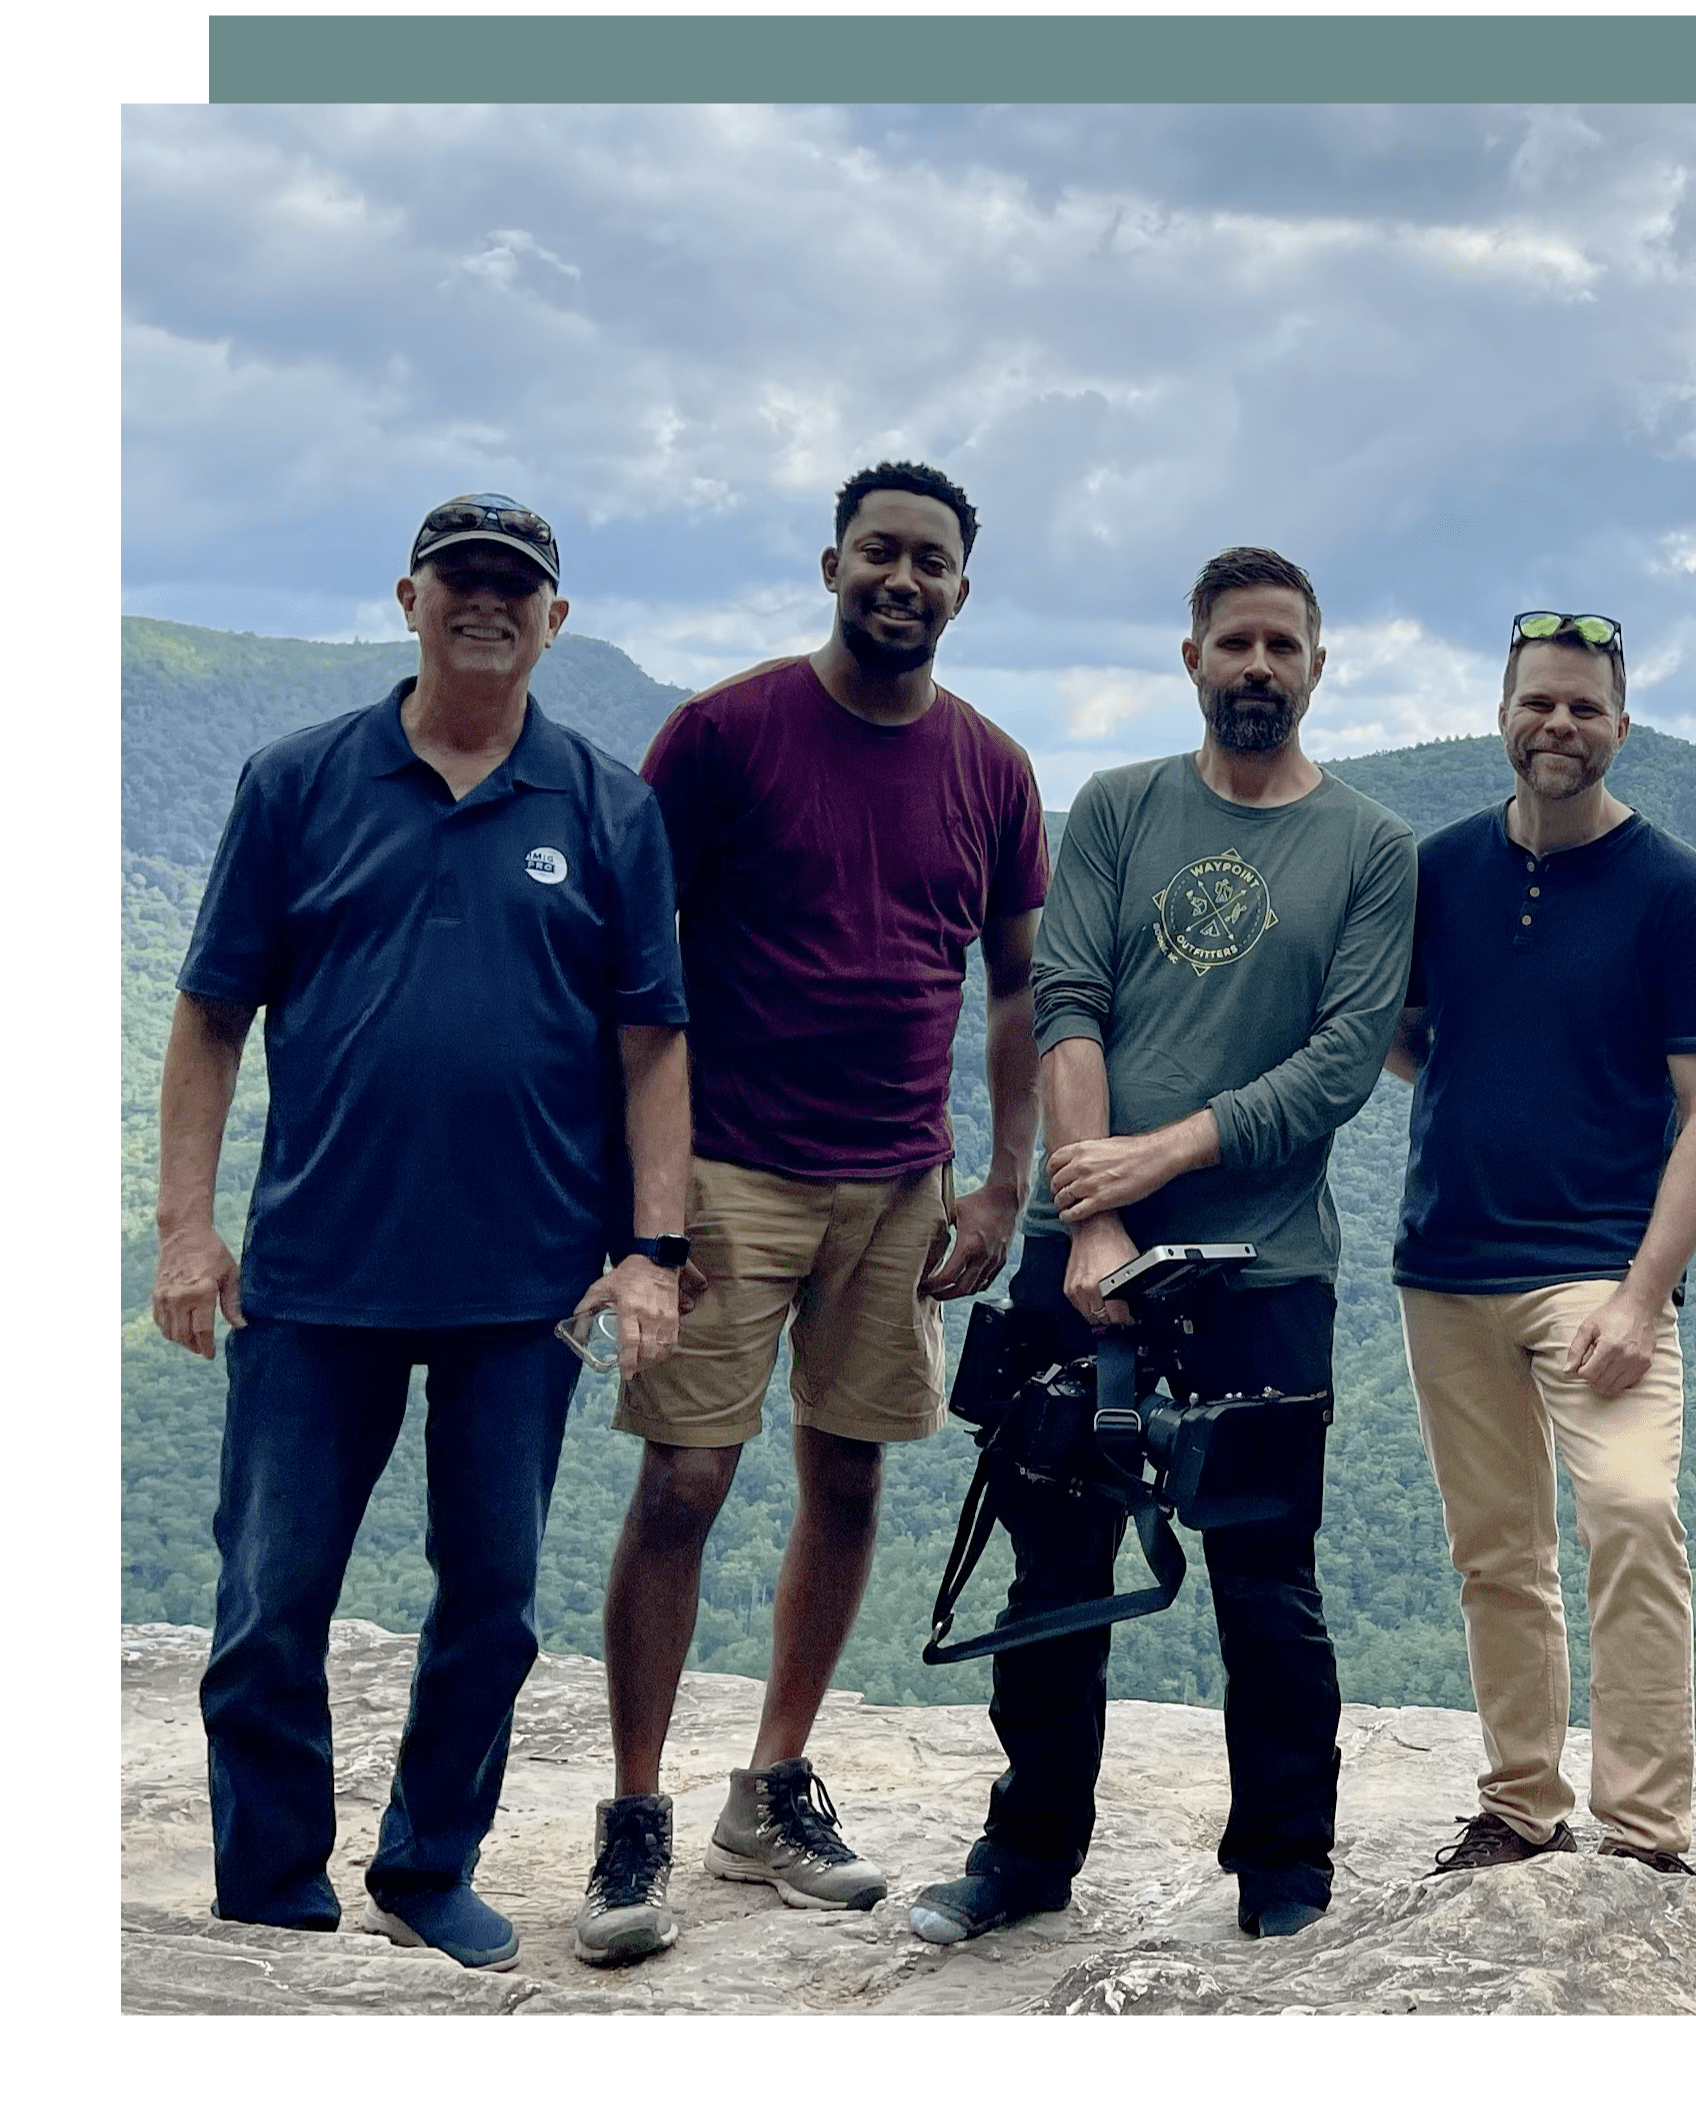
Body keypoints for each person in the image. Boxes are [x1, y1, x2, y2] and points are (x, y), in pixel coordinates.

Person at [153, 494, 692, 1972]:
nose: (487, 603)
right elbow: (209, 1013)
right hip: (317, 1272)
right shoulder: (298, 781)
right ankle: (271, 1892)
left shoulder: (605, 805)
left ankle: (426, 1863)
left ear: (554, 620)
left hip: (524, 1284)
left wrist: (654, 1249)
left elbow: (654, 1041)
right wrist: (185, 1232)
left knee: (494, 1600)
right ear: (408, 596)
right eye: (462, 578)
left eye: (516, 586)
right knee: (270, 1597)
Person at [574, 462, 1049, 1968]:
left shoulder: (993, 767)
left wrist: (1003, 1178)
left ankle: (769, 1790)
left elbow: (1020, 983)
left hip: (901, 1180)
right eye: (879, 553)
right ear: (830, 564)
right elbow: (634, 966)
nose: (903, 579)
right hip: (727, 1168)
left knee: (846, 1477)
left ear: (966, 587)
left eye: (932, 560)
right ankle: (634, 1809)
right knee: (688, 1480)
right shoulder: (724, 731)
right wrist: (635, 1201)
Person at [907, 546, 1416, 1947]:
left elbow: (1339, 1063)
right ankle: (1027, 1852)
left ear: (1319, 666)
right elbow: (1066, 997)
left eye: (1284, 645)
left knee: (1265, 1579)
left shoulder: (1371, 848)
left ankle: (1284, 1870)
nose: (1258, 666)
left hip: (1265, 1265)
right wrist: (1099, 1215)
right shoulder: (1124, 808)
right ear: (1189, 656)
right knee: (1054, 1562)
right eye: (1235, 642)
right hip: (1085, 1257)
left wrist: (1164, 1152)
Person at [1384, 610, 1696, 1881]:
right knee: (1496, 1547)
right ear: (1500, 715)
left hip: (1601, 1268)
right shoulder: (1437, 871)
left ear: (1620, 727)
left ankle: (1644, 1829)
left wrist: (1646, 1294)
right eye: (1539, 704)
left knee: (1632, 1510)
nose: (1560, 726)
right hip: (1445, 1262)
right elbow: (1399, 1027)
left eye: (1585, 709)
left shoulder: (1674, 891)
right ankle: (1522, 1803)